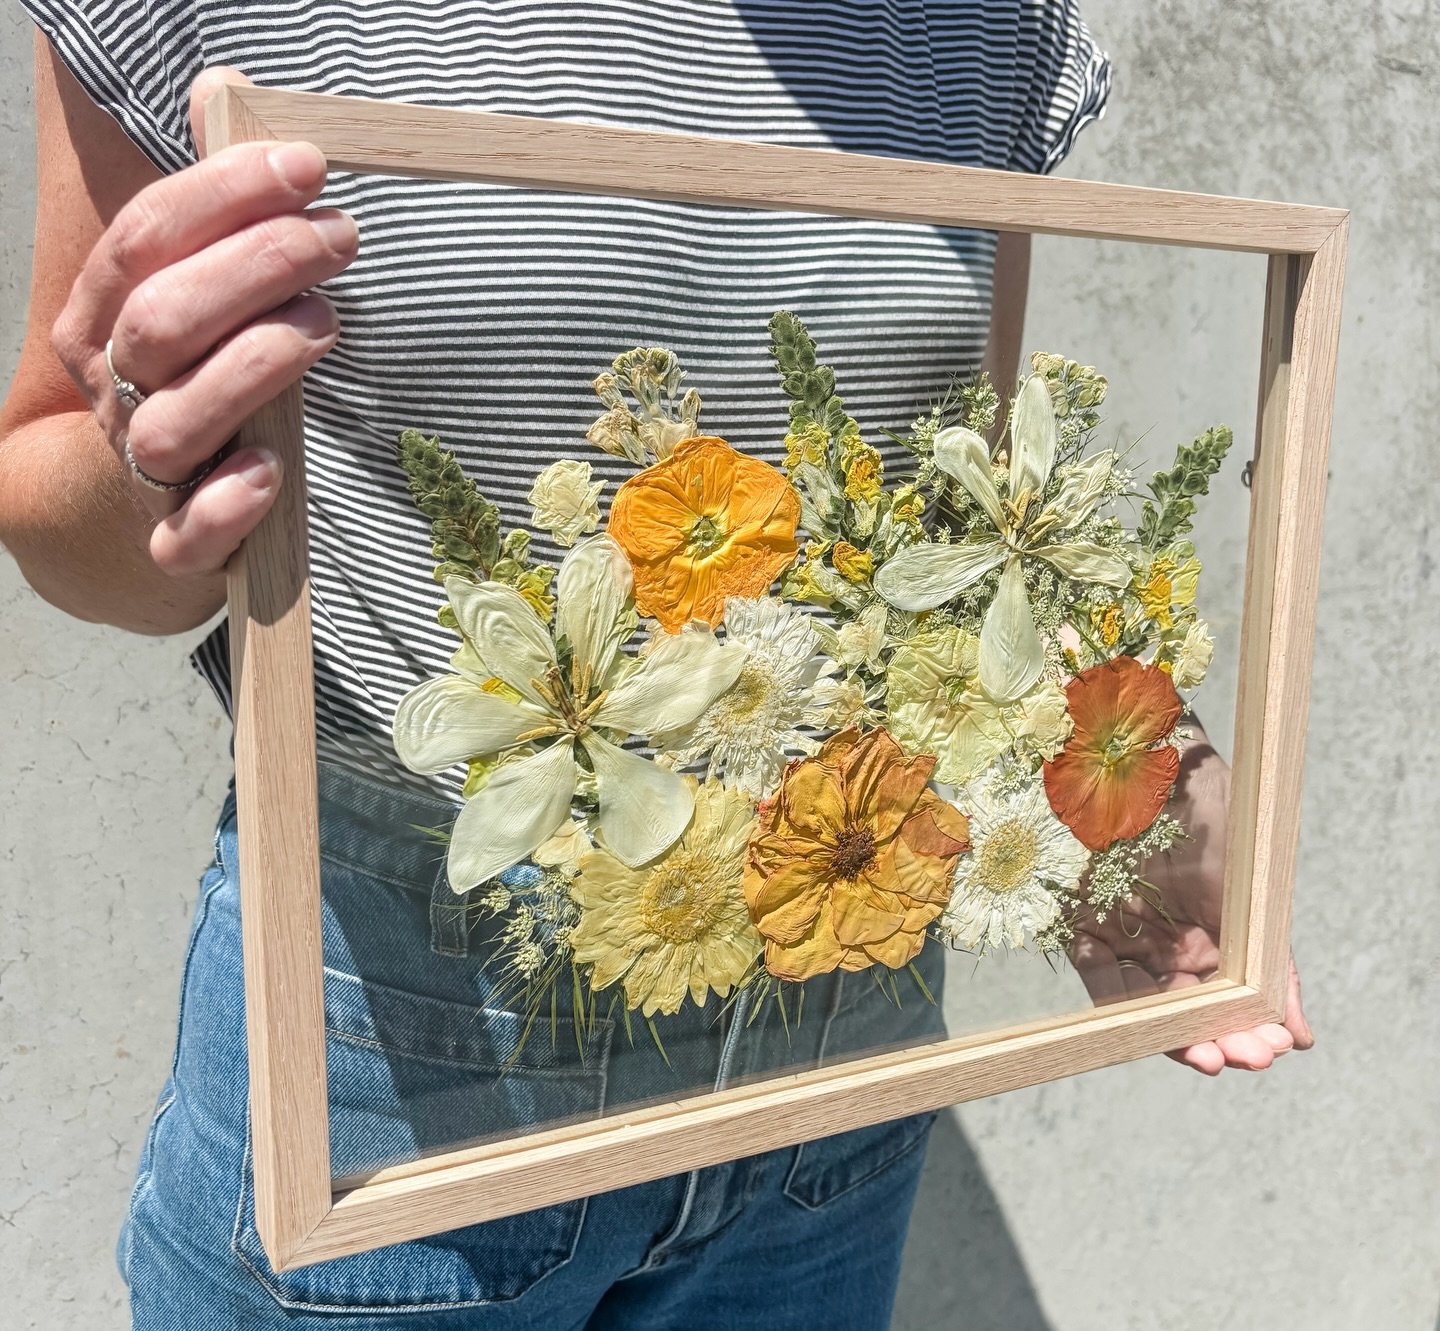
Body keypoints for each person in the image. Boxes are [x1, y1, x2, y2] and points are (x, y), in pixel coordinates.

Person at [1, 3, 1313, 1327]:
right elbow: (54, 493)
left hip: (840, 1043)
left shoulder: (986, 28)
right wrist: (154, 471)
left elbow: (947, 504)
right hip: (398, 1057)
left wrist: (1112, 788)